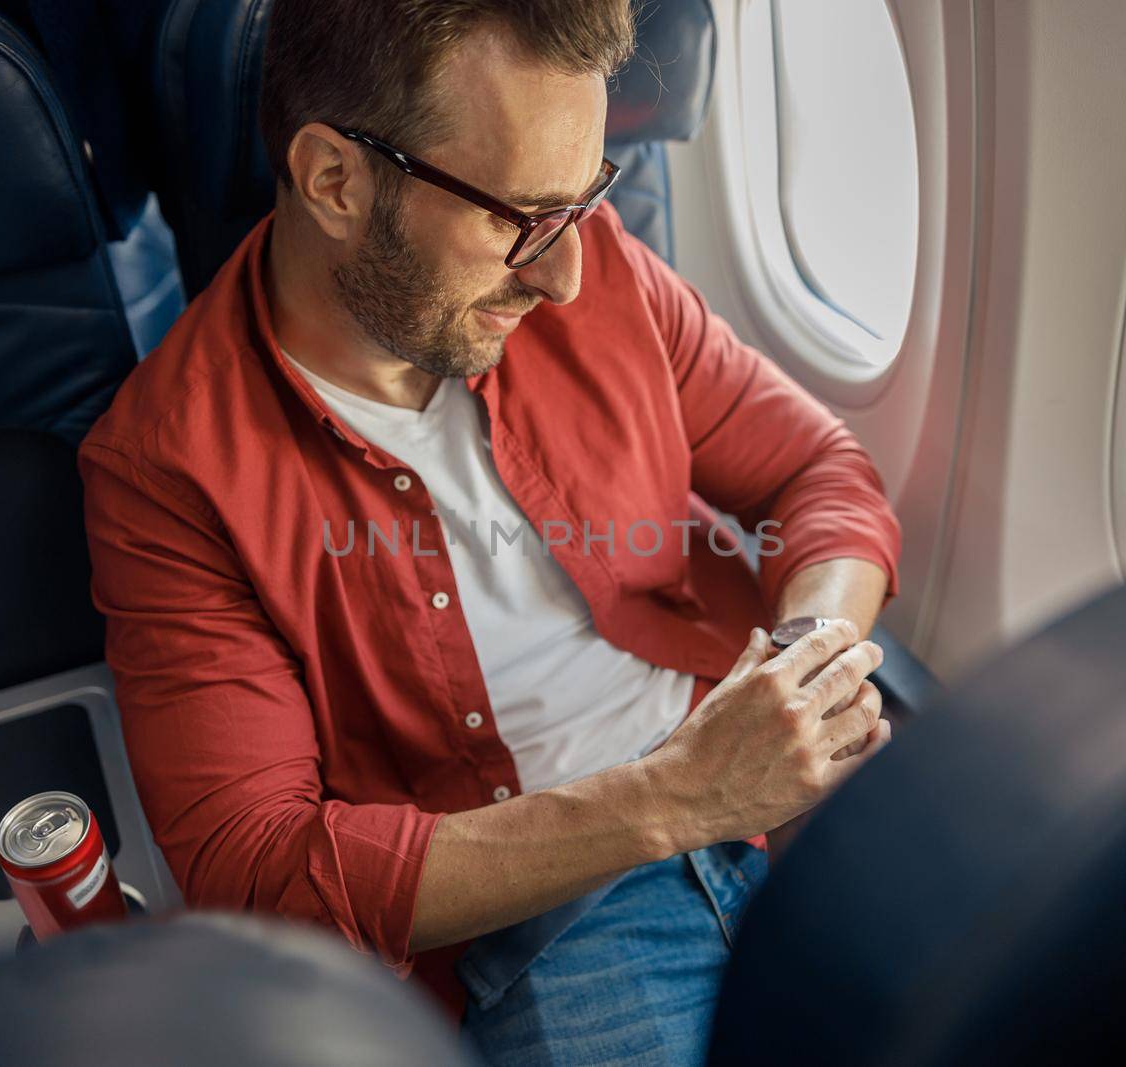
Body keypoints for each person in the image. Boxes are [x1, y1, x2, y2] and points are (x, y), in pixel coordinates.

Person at [77, 0, 902, 1061]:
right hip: (561, 908)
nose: (566, 274)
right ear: (335, 180)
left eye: (587, 199)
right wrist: (673, 797)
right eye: (522, 217)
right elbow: (259, 866)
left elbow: (817, 470)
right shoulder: (166, 472)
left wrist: (798, 673)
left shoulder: (599, 268)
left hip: (784, 784)